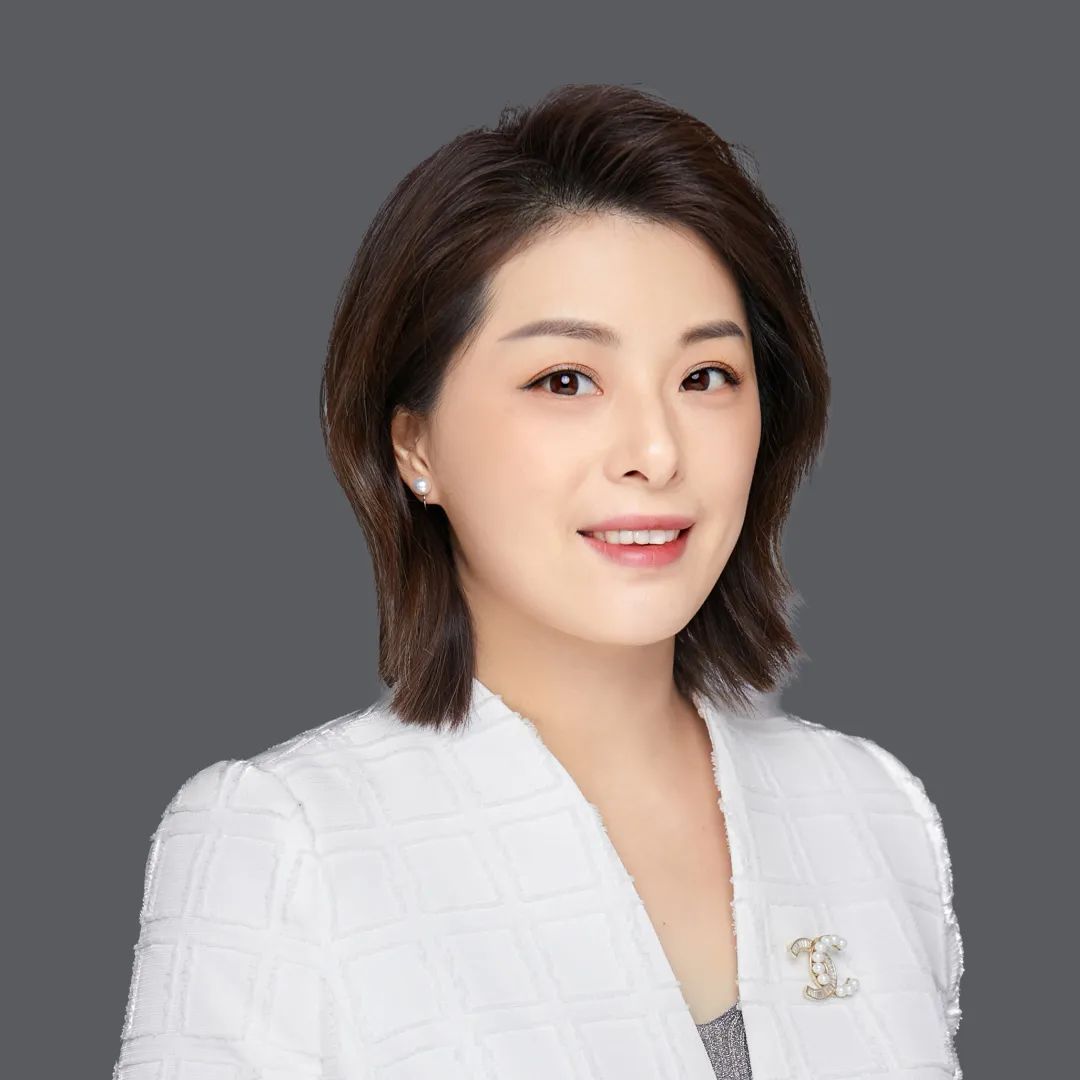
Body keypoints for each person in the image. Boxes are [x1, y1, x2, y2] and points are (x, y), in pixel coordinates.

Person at [112, 82, 963, 1080]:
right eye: (566, 380)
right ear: (414, 444)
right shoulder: (287, 839)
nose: (656, 451)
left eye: (706, 378)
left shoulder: (870, 810)